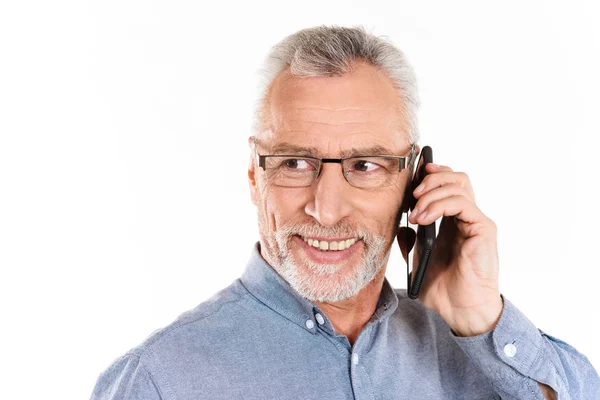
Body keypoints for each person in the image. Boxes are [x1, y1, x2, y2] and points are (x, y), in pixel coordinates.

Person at [90, 25, 599, 400]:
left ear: (415, 179)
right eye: (294, 162)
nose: (326, 210)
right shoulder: (157, 381)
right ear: (253, 174)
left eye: (366, 165)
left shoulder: (474, 350)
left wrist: (484, 320)